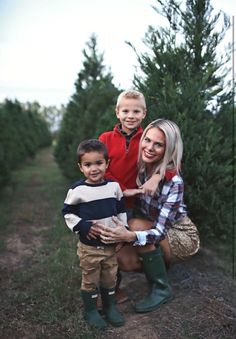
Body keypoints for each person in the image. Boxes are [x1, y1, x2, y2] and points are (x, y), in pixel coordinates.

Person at [92, 119, 200, 313]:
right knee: (120, 256)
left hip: (181, 235)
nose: (149, 147)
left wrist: (131, 237)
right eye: (147, 140)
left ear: (168, 149)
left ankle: (161, 289)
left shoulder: (173, 181)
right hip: (153, 228)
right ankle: (119, 289)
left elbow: (158, 232)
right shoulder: (142, 168)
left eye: (158, 144)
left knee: (136, 226)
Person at [98, 90, 169, 302]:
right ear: (117, 113)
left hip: (130, 204)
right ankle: (109, 290)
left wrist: (157, 177)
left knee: (121, 242)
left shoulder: (146, 140)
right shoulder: (106, 138)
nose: (131, 115)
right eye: (126, 111)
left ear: (144, 113)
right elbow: (101, 168)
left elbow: (170, 160)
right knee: (105, 243)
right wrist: (120, 187)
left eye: (136, 111)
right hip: (106, 200)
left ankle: (148, 282)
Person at [62, 139, 126, 329]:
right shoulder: (78, 190)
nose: (94, 169)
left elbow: (121, 210)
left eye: (98, 163)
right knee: (90, 278)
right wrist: (82, 225)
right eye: (88, 165)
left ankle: (110, 307)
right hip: (89, 248)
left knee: (110, 277)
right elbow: (67, 213)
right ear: (80, 167)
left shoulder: (114, 187)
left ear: (107, 163)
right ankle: (90, 310)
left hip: (111, 245)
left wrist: (123, 231)